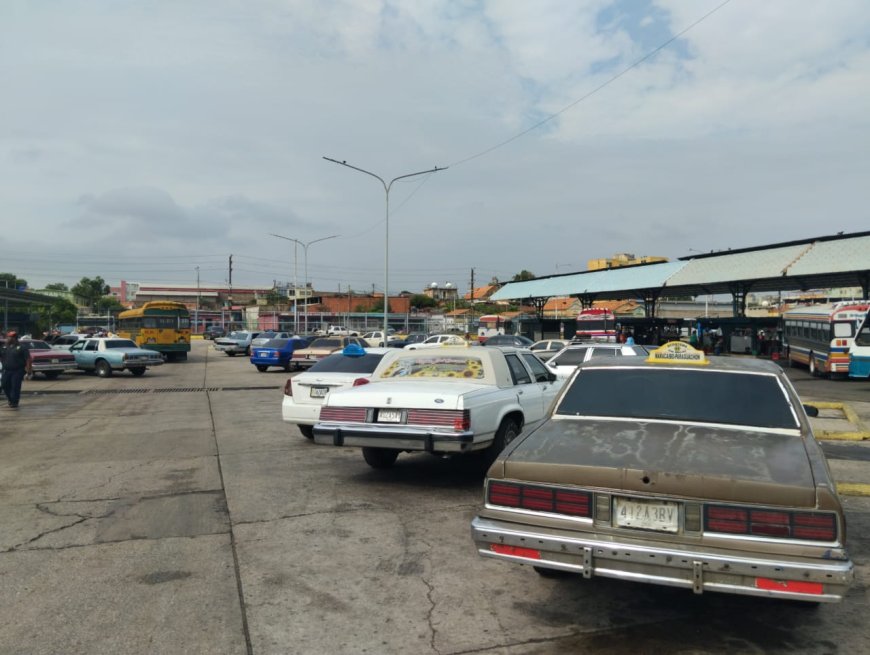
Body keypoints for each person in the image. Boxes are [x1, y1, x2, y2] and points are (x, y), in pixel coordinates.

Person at [1, 331, 32, 410]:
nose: (8, 338)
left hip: (18, 370)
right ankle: (11, 399)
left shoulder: (22, 347)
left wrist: (28, 371)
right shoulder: (5, 347)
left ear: (14, 338)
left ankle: (14, 402)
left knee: (15, 386)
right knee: (4, 385)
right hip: (7, 370)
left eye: (9, 337)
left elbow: (28, 359)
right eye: (8, 337)